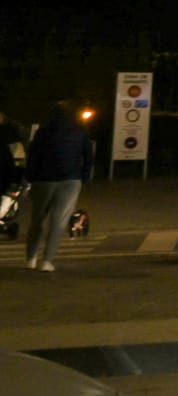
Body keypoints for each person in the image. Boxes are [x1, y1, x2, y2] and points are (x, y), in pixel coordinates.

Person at [25, 100, 95, 272]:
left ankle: (30, 259)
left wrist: (30, 177)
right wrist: (84, 177)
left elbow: (33, 156)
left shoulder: (43, 132)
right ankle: (47, 261)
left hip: (43, 181)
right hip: (70, 181)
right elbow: (89, 156)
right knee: (58, 222)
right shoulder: (80, 132)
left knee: (37, 220)